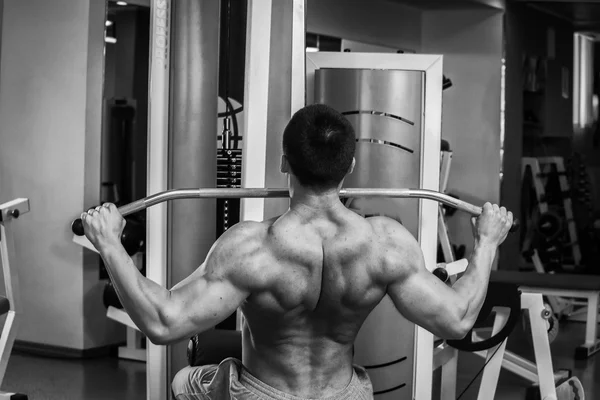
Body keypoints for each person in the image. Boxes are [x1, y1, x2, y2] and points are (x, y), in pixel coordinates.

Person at [81, 104, 513, 400]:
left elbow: (163, 321)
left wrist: (108, 242)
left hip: (260, 393)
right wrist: (487, 242)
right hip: (344, 394)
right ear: (350, 166)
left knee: (183, 381)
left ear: (284, 162)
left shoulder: (250, 247)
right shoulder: (386, 244)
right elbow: (457, 320)